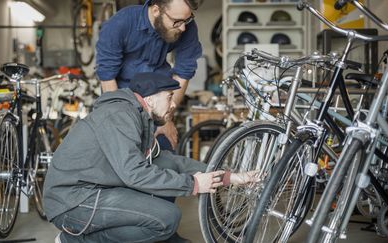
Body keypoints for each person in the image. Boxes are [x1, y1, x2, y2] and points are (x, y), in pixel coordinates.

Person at [43, 72, 260, 243]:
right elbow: (134, 173)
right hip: (73, 201)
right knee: (167, 218)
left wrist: (229, 177)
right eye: (169, 97)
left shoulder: (140, 117)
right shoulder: (119, 115)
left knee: (165, 163)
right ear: (149, 99)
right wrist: (192, 184)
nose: (174, 104)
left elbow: (170, 161)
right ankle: (76, 240)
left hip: (96, 188)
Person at [95, 0, 202, 150]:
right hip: (122, 100)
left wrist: (165, 119)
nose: (183, 27)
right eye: (177, 21)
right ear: (156, 11)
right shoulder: (120, 24)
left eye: (187, 19)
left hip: (159, 104)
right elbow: (107, 77)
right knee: (123, 155)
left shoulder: (186, 26)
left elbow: (184, 72)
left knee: (165, 150)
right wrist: (120, 122)